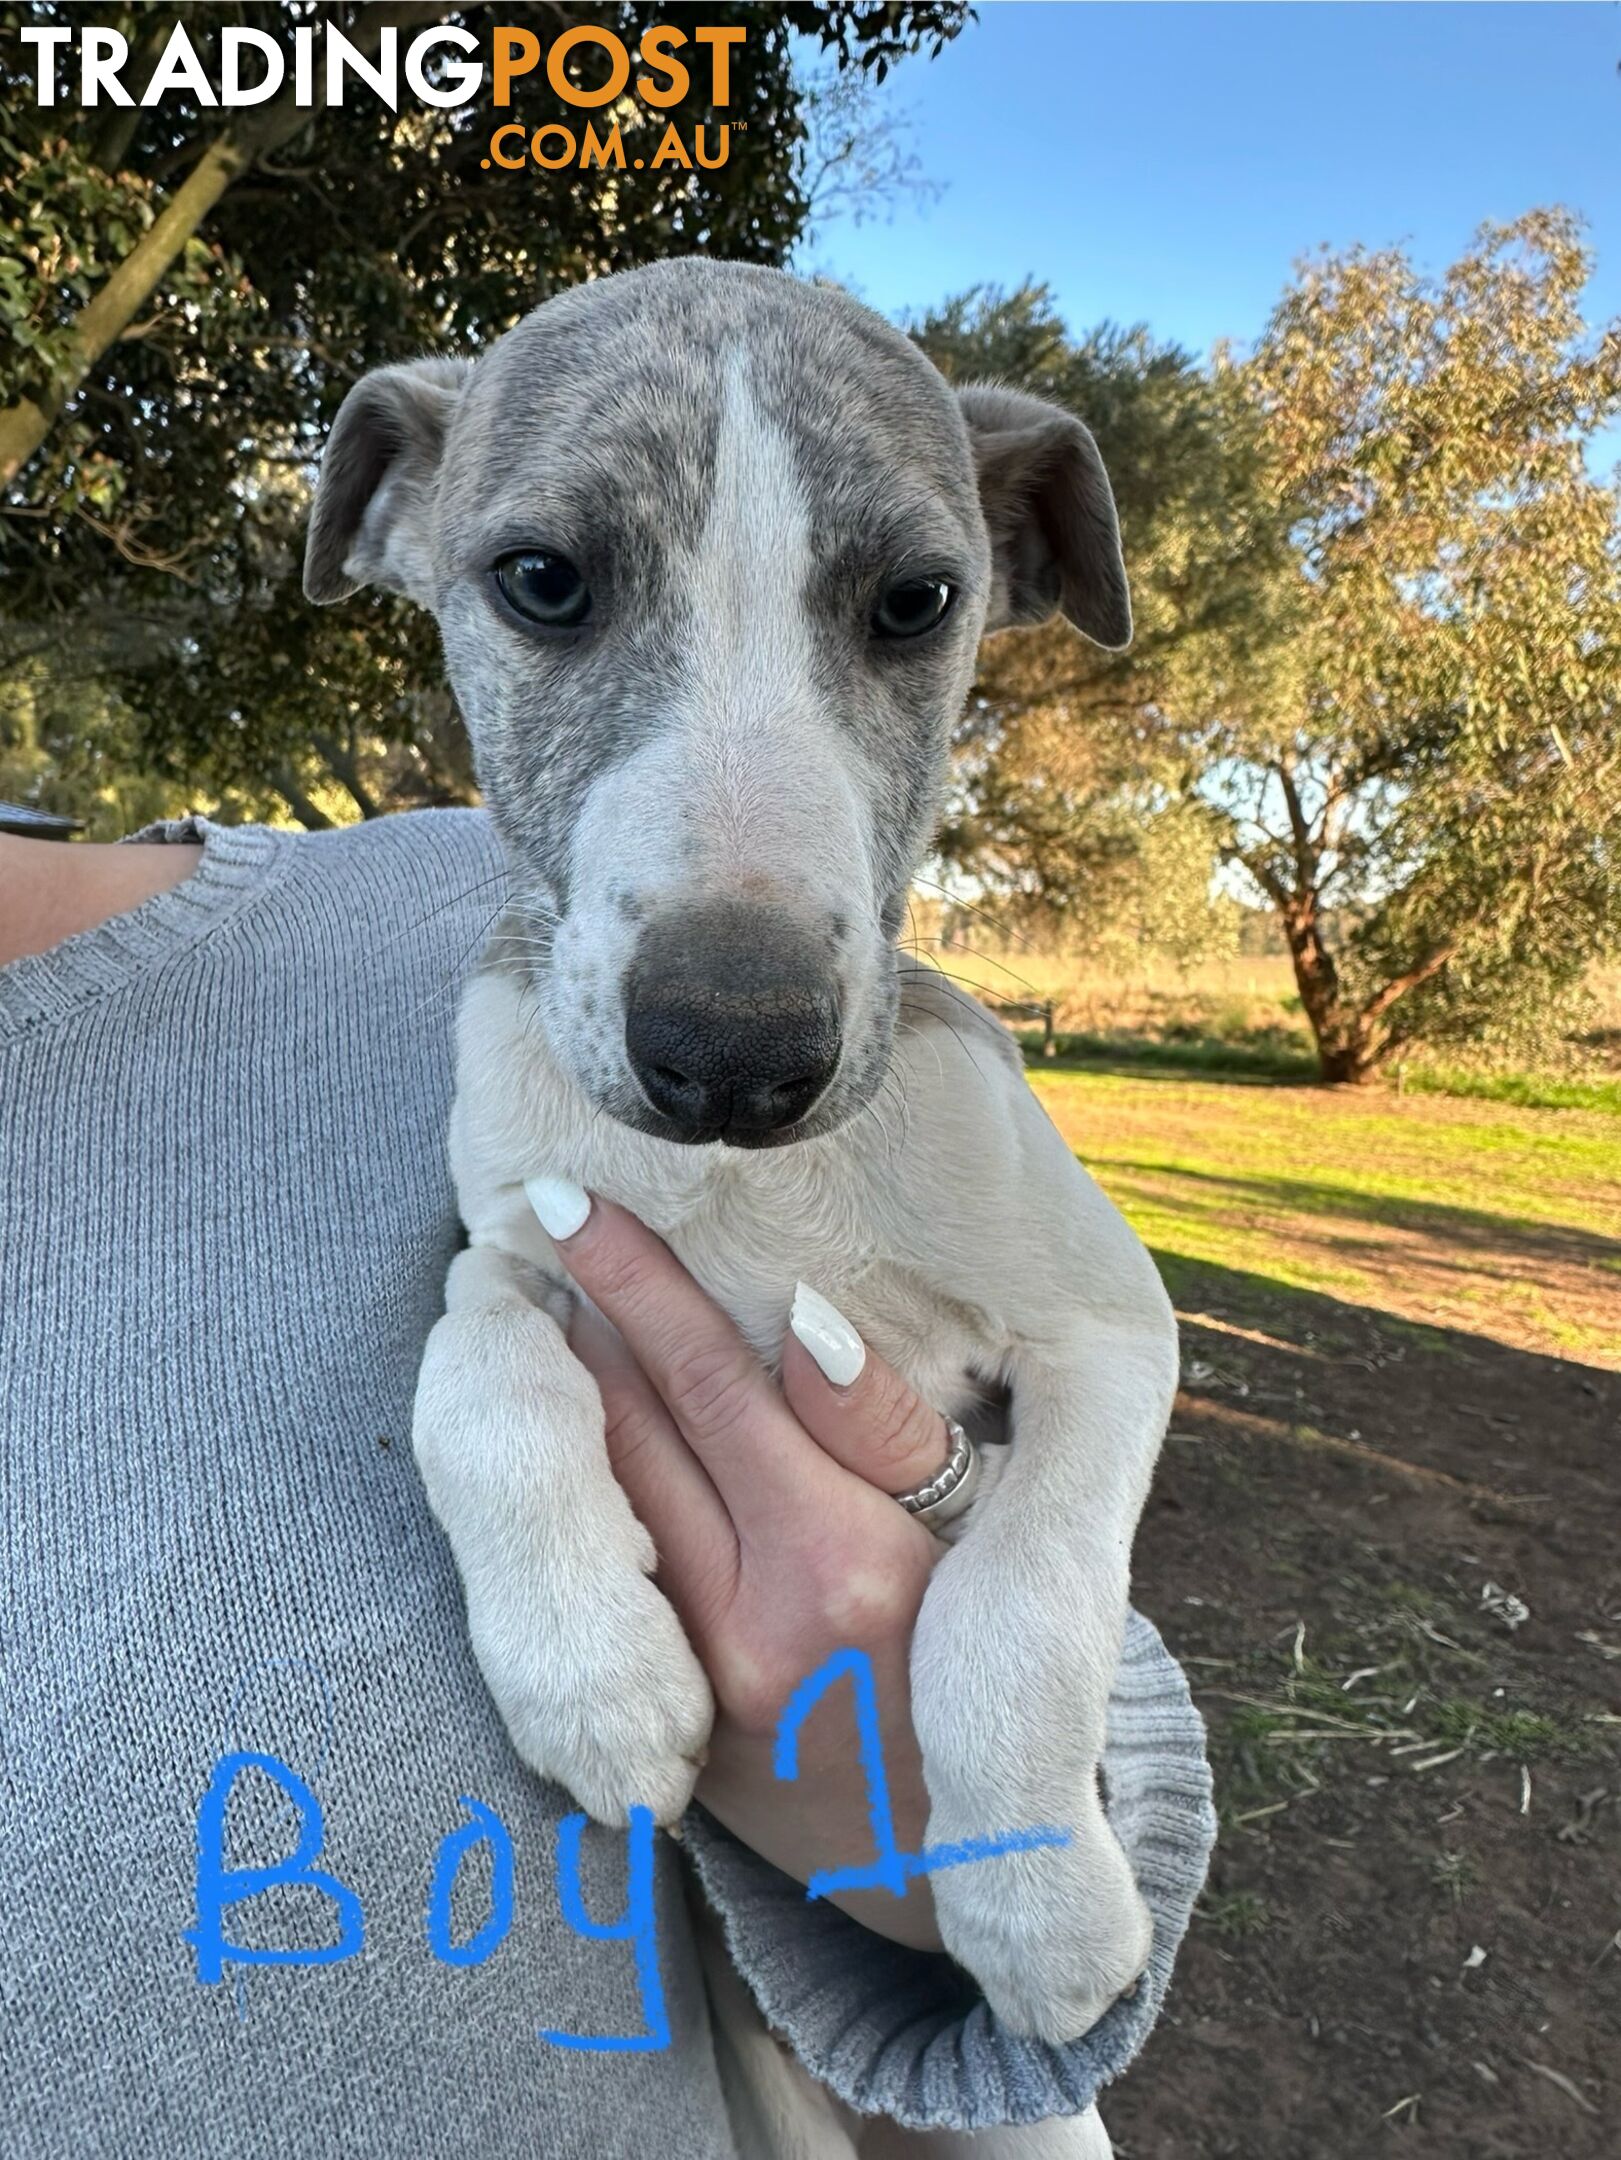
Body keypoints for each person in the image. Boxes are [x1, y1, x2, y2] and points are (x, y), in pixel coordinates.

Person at [0, 807, 1213, 2159]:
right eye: (547, 582)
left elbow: (1064, 1332)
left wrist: (987, 1754)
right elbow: (516, 1282)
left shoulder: (512, 886)